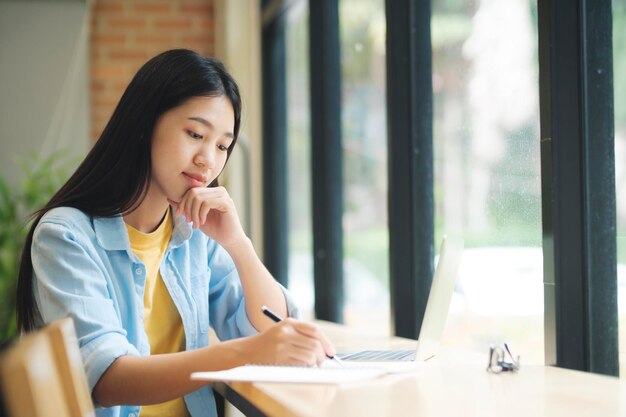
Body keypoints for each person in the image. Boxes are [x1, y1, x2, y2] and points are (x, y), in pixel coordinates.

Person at [15, 49, 335, 417]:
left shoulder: (193, 235)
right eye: (196, 133)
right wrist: (244, 353)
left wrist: (238, 244)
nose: (208, 160)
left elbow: (268, 330)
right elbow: (109, 378)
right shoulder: (66, 236)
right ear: (145, 124)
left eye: (222, 146)